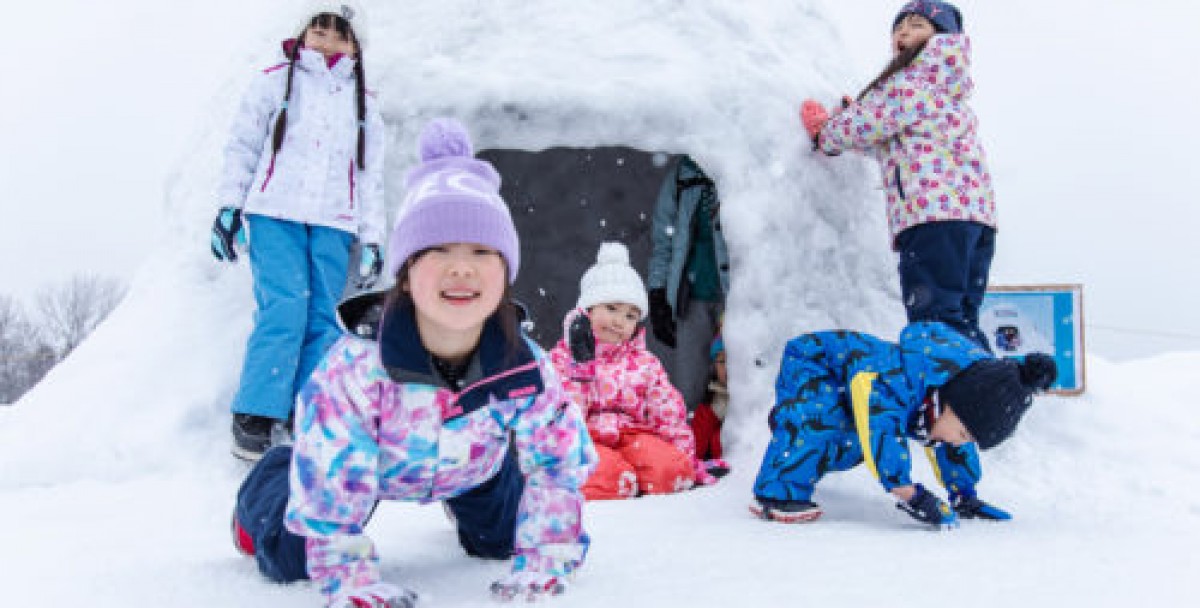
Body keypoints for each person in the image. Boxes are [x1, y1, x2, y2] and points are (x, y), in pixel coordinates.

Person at [231, 118, 597, 607]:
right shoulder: (356, 370)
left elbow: (555, 464)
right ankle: (276, 474)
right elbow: (333, 501)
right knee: (290, 557)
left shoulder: (521, 364)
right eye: (438, 250)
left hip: (474, 465)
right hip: (372, 468)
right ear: (405, 273)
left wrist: (547, 561)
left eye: (482, 251)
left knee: (502, 542)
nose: (461, 267)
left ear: (506, 272)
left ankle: (468, 503)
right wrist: (354, 582)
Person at [210, 1, 387, 460]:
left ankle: (307, 411)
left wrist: (371, 237)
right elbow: (243, 146)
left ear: (355, 44)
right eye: (320, 30)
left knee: (323, 319)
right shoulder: (274, 82)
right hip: (275, 213)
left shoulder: (364, 103)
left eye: (340, 34)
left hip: (334, 222)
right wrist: (230, 206)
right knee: (284, 307)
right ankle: (255, 413)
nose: (328, 42)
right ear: (303, 31)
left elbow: (370, 174)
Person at [800, 1, 997, 353]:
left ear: (943, 39)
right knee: (962, 321)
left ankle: (946, 399)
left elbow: (865, 126)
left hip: (932, 219)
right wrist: (854, 120)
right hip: (974, 223)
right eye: (898, 27)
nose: (903, 32)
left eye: (917, 25)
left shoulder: (910, 82)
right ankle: (981, 395)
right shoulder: (948, 90)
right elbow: (894, 143)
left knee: (934, 324)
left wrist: (826, 133)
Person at [750, 322, 1057, 527]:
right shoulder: (895, 381)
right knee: (822, 422)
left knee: (850, 440)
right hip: (815, 364)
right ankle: (776, 492)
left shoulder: (946, 406)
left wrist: (965, 496)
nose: (962, 441)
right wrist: (910, 493)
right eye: (964, 433)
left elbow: (953, 447)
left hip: (857, 394)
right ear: (949, 406)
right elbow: (882, 430)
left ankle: (792, 427)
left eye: (970, 440)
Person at [551, 242, 724, 500]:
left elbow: (667, 413)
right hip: (586, 440)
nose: (619, 321)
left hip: (634, 439)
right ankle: (611, 476)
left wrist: (683, 457)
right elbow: (563, 418)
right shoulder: (563, 358)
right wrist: (581, 367)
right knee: (610, 477)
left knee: (671, 471)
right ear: (587, 310)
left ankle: (629, 474)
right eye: (611, 308)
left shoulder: (645, 363)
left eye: (631, 315)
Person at [647, 155, 730, 412]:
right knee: (689, 387)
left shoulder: (741, 168)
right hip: (691, 298)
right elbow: (663, 242)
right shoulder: (682, 177)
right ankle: (692, 444)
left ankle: (735, 446)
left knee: (736, 383)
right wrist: (658, 292)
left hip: (737, 298)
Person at [690, 333, 729, 462]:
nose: (728, 367)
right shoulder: (709, 408)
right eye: (722, 362)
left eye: (733, 360)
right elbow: (695, 449)